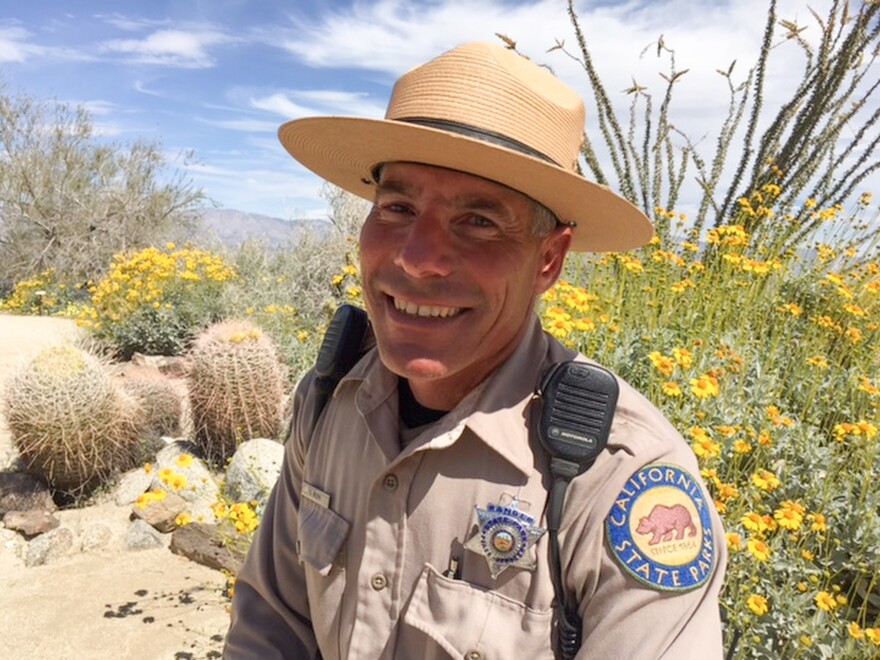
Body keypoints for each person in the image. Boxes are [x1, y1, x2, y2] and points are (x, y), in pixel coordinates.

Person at [224, 41, 727, 659]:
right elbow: (272, 622)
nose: (418, 258)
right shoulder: (329, 399)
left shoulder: (616, 476)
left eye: (480, 222)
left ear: (549, 260)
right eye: (398, 207)